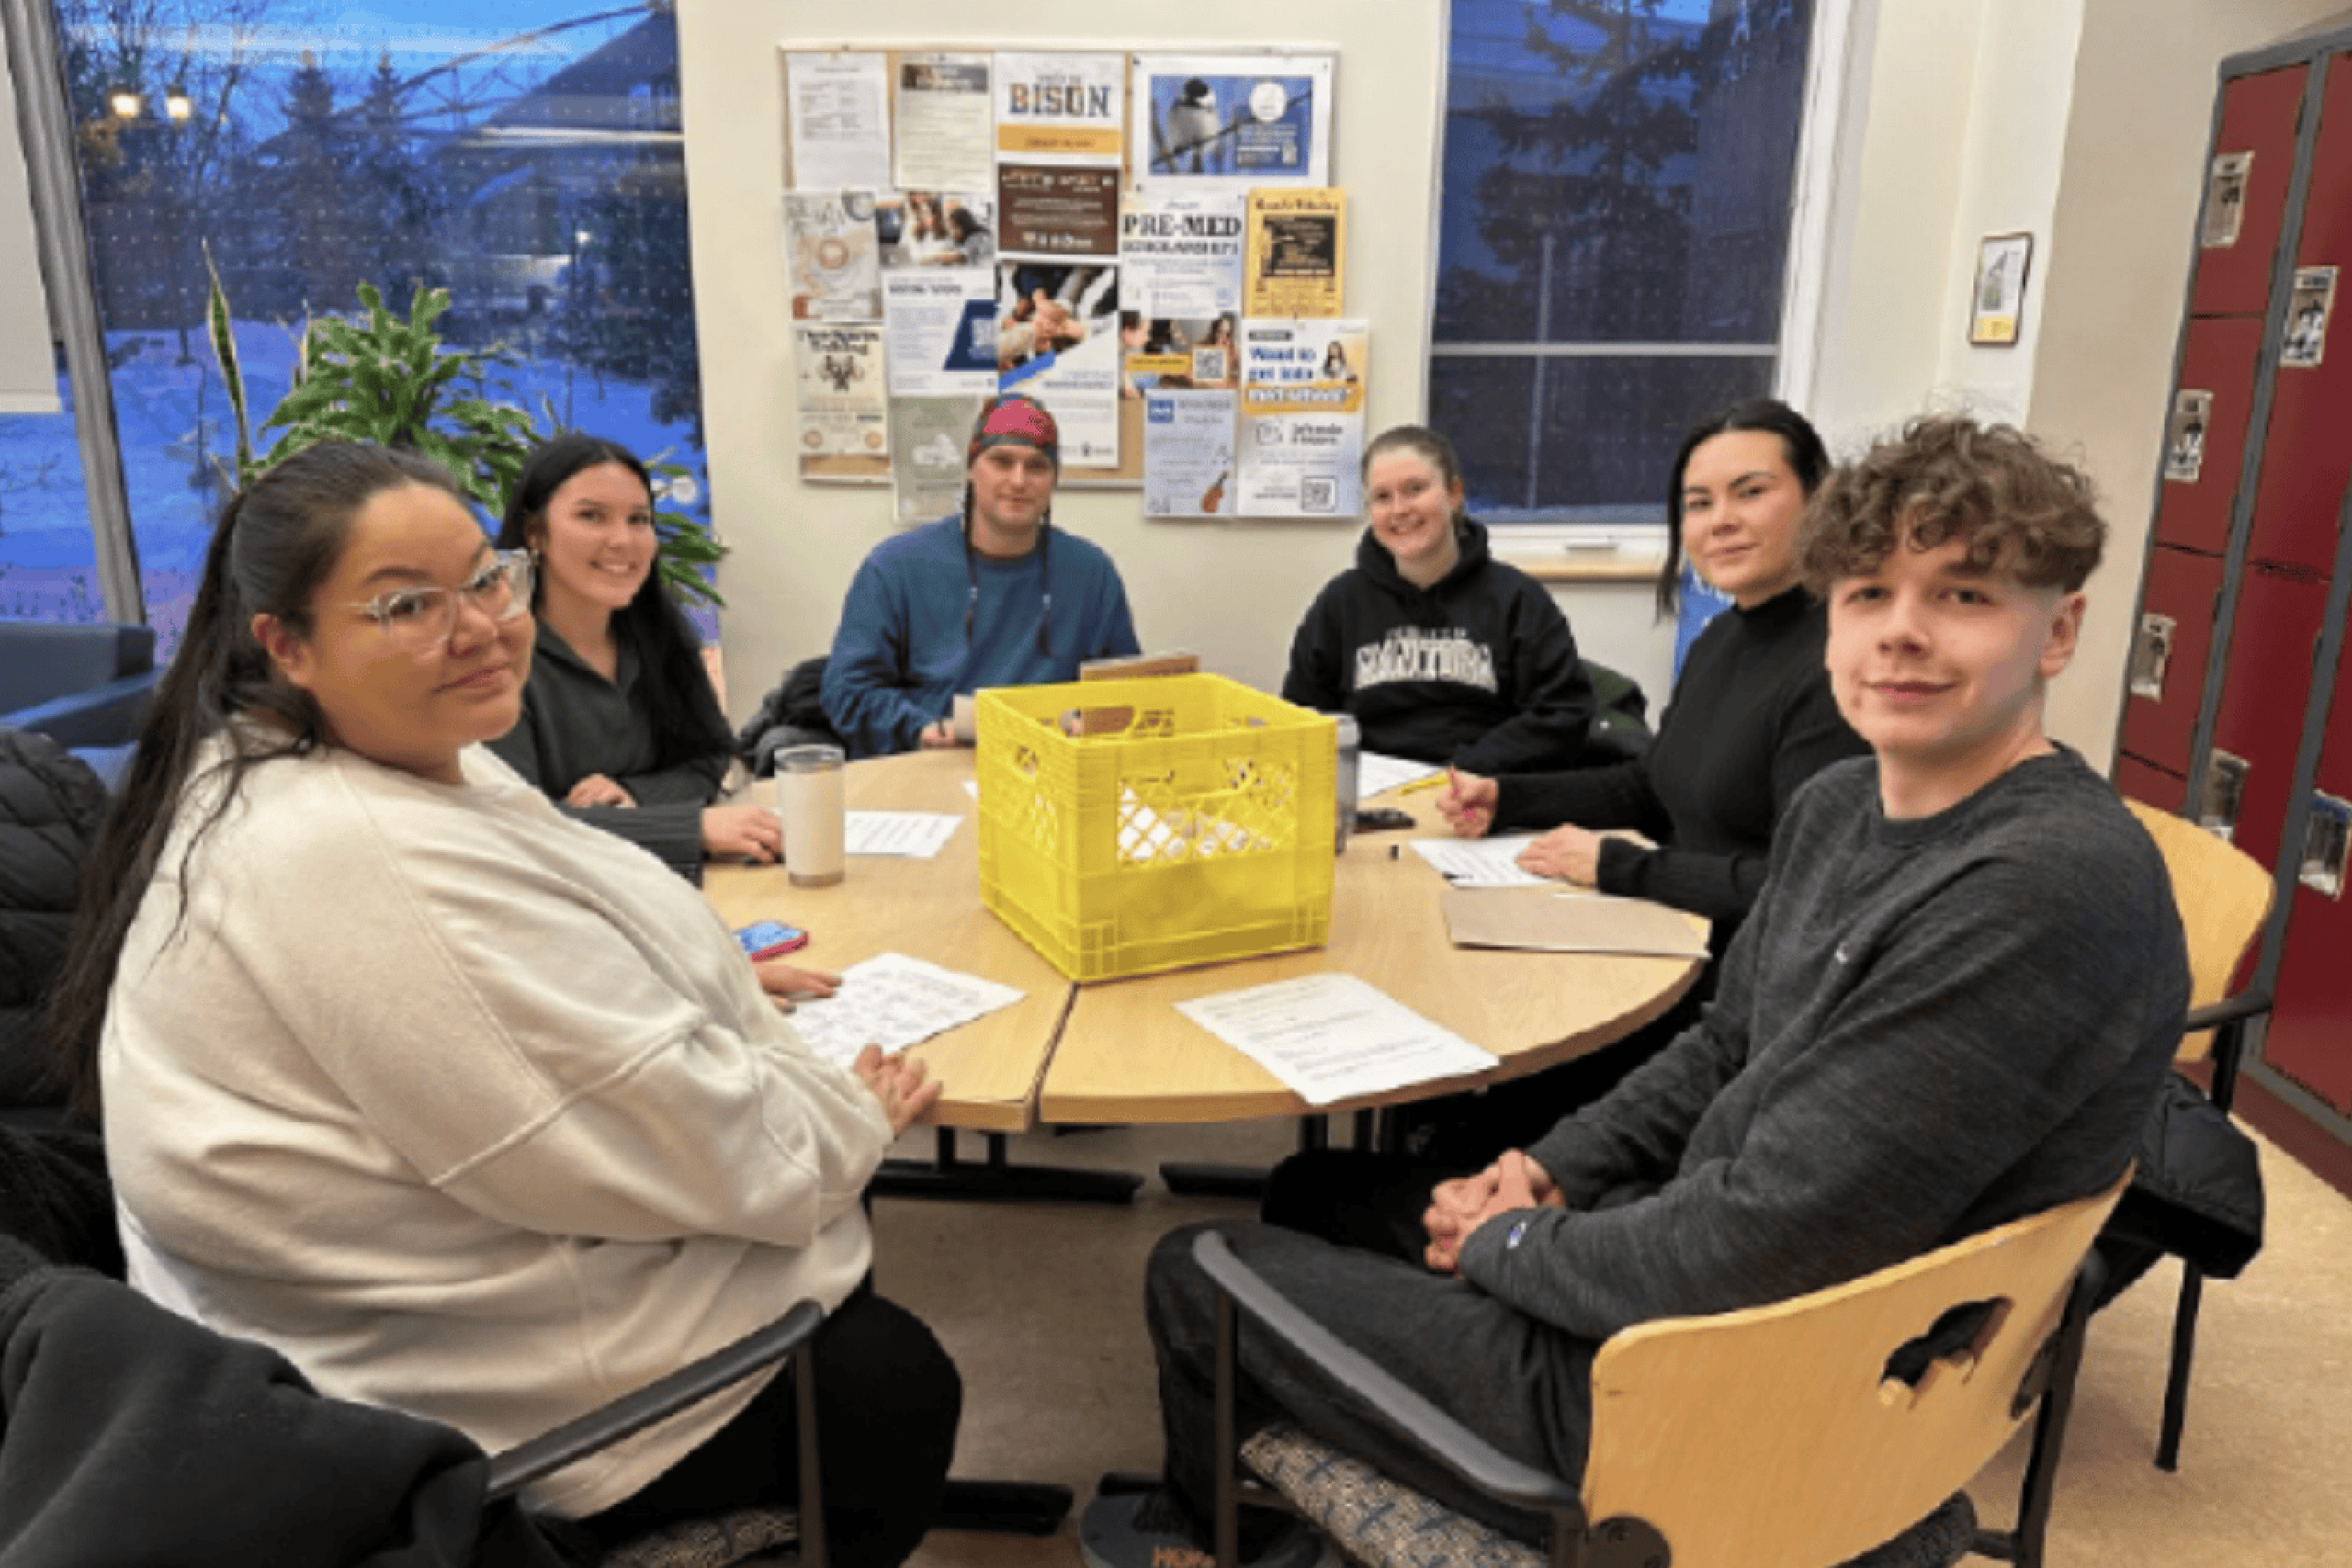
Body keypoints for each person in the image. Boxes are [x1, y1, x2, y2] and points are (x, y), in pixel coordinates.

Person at [1082, 415, 2189, 1568]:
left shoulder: (2041, 890)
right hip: (1719, 1298)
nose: (1898, 635)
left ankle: (1223, 1542)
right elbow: (1723, 1047)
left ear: (2057, 630)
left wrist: (1510, 1245)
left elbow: (1757, 1248)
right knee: (1318, 1188)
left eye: (1962, 596)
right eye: (1867, 595)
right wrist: (1556, 1169)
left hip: (1712, 1395)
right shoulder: (1842, 805)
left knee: (1197, 1272)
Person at [48, 441, 960, 1566]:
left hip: (370, 1323)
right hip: (444, 1408)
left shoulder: (380, 757)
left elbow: (568, 914)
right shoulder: (345, 854)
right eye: (405, 606)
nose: (480, 626)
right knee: (890, 1375)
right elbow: (684, 1136)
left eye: (483, 580)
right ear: (283, 644)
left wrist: (691, 973)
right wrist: (845, 1115)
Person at [486, 436, 775, 878]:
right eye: (591, 516)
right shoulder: (494, 655)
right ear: (535, 533)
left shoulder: (660, 629)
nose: (623, 540)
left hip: (669, 885)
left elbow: (710, 755)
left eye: (639, 520)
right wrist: (688, 829)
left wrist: (635, 795)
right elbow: (515, 827)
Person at [821, 396, 1141, 757]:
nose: (1019, 481)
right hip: (932, 764)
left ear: (1054, 479)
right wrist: (919, 729)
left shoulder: (1091, 572)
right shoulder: (894, 568)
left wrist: (1098, 722)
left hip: (1052, 770)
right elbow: (846, 689)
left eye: (1037, 466)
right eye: (1001, 462)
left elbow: (1123, 689)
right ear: (971, 468)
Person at [1281, 424, 1593, 774]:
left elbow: (1564, 713)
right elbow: (1300, 718)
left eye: (1415, 489)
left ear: (1453, 493)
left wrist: (1468, 771)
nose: (1399, 509)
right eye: (1382, 497)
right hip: (1371, 797)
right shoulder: (1339, 604)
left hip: (1483, 789)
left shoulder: (1518, 600)